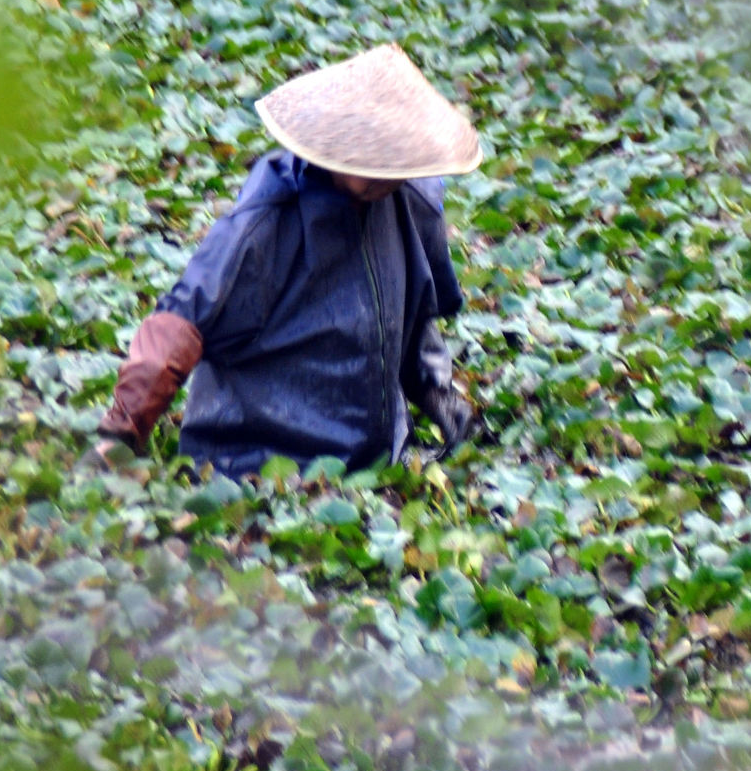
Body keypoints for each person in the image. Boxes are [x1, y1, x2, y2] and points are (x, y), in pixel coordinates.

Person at [92, 43, 481, 478]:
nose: (384, 176)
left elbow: (415, 314)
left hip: (373, 465)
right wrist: (121, 433)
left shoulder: (411, 201)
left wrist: (435, 391)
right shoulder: (265, 223)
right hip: (262, 466)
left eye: (396, 162)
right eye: (373, 160)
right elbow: (181, 323)